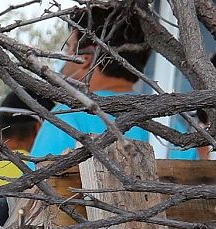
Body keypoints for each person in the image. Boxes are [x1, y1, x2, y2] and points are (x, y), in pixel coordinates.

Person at [29, 12, 152, 157]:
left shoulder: (67, 115)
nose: (64, 57)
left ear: (84, 58)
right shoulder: (167, 118)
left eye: (68, 48)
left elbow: (34, 177)